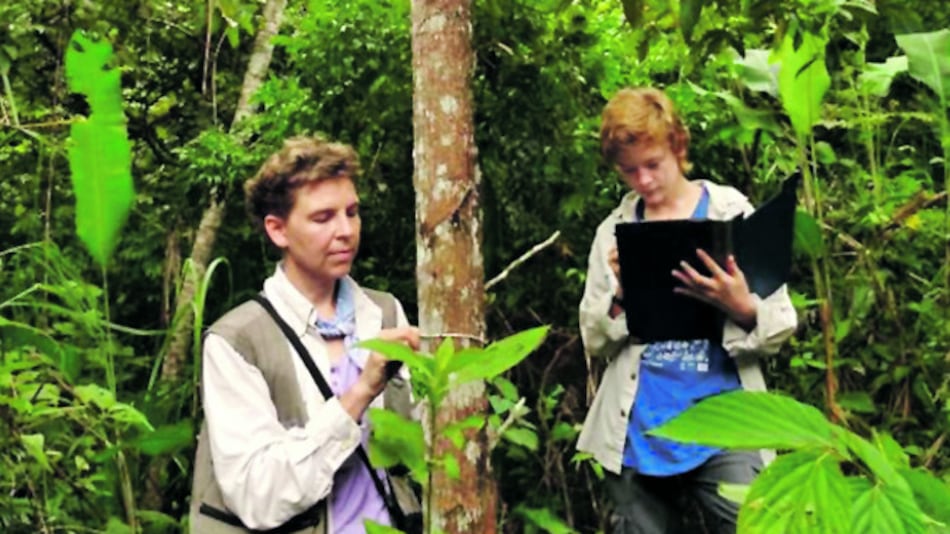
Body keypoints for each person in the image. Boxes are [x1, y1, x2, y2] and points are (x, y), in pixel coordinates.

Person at [576, 87, 798, 534]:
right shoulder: (614, 231)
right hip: (639, 426)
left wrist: (741, 305)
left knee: (755, 526)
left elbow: (781, 321)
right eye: (629, 171)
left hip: (726, 421)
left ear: (677, 146)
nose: (643, 181)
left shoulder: (729, 211)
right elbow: (593, 340)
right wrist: (622, 295)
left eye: (653, 164)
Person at [189, 136, 421, 533]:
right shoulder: (236, 342)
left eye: (352, 212)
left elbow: (423, 445)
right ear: (278, 230)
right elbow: (256, 496)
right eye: (323, 218)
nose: (346, 230)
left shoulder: (383, 313)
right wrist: (360, 392)